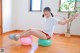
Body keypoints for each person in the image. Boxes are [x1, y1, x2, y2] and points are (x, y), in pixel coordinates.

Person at [8, 7, 79, 41]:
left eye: (47, 12)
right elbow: (45, 28)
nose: (45, 13)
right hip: (43, 32)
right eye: (44, 12)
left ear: (49, 11)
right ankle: (17, 36)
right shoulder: (45, 18)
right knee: (30, 29)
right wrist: (37, 29)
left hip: (47, 36)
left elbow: (63, 23)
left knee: (32, 32)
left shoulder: (53, 19)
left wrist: (72, 18)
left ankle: (17, 37)